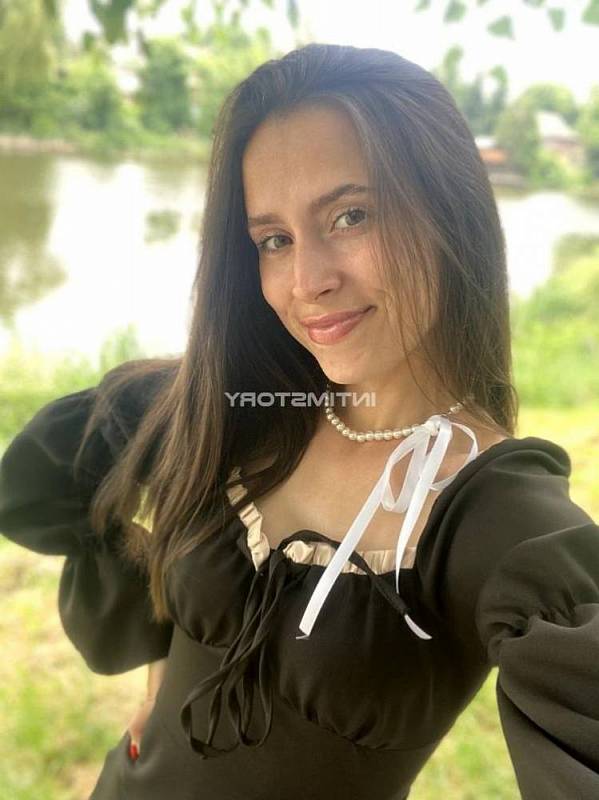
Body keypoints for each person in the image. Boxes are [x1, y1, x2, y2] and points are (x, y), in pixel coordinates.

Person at [1, 42, 598, 800]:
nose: (307, 281)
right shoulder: (236, 409)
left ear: (448, 211)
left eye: (351, 215)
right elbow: (39, 482)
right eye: (273, 240)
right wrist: (158, 642)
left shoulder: (495, 517)